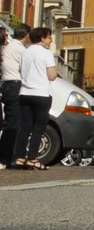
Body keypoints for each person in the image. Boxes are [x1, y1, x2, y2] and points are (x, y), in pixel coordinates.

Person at [12, 28, 57, 169]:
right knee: (38, 128)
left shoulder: (25, 52)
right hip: (41, 94)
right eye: (49, 37)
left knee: (25, 127)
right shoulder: (46, 53)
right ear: (42, 38)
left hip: (24, 93)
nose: (50, 40)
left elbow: (21, 70)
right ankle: (32, 158)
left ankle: (19, 157)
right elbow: (52, 76)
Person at [1, 25, 26, 166]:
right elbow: (27, 67)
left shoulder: (9, 48)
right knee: (14, 123)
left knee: (11, 121)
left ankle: (6, 156)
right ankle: (7, 157)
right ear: (26, 35)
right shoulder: (19, 49)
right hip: (15, 85)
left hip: (8, 86)